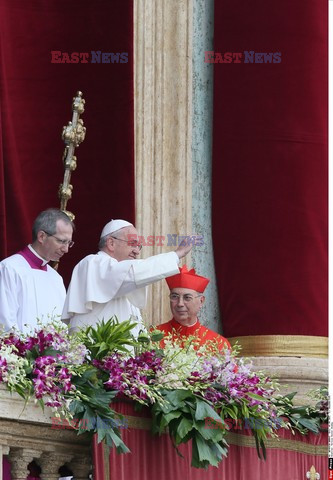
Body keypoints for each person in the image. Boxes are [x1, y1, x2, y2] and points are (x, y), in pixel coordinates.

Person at [62, 219, 193, 337]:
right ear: (111, 243)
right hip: (95, 359)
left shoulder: (125, 278)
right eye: (132, 243)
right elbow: (132, 273)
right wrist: (176, 255)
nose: (137, 251)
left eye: (138, 246)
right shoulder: (93, 263)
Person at [0, 208, 74, 333]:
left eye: (69, 243)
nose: (66, 249)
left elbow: (62, 325)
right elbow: (5, 322)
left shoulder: (56, 278)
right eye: (62, 241)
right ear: (41, 236)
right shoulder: (10, 269)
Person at [157, 265, 230, 351]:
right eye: (174, 297)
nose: (180, 304)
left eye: (187, 298)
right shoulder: (154, 337)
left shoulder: (218, 343)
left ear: (201, 301)